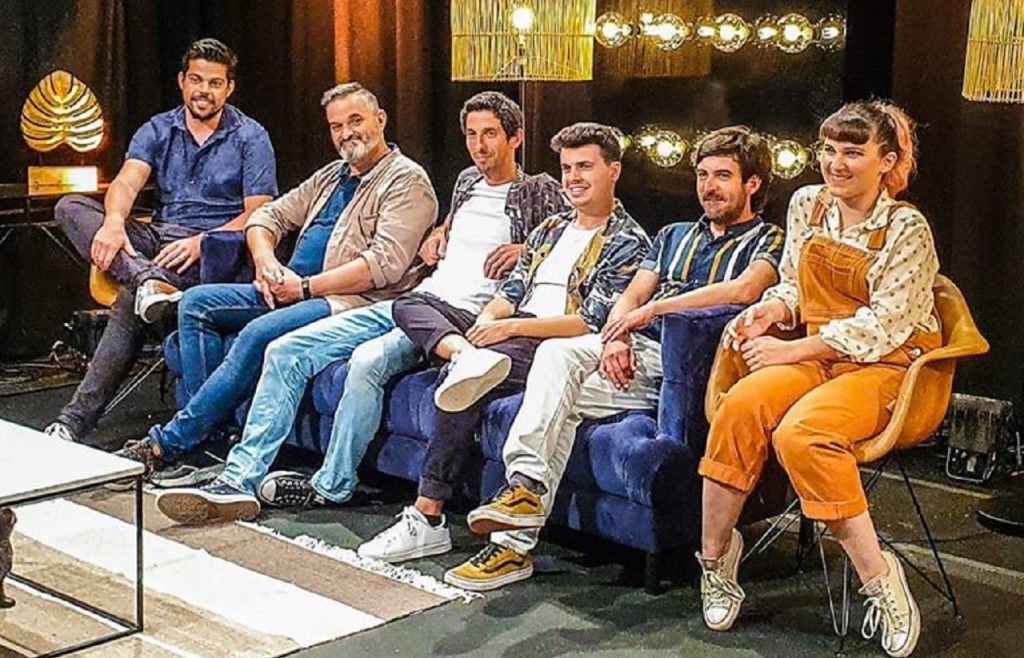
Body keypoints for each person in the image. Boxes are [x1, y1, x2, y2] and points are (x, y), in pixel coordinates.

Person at [152, 91, 566, 523]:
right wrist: (438, 234)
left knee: (362, 360)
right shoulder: (465, 182)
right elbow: (451, 229)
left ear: (516, 138)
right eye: (471, 135)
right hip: (419, 303)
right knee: (284, 350)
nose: (479, 145)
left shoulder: (536, 190)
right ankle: (237, 481)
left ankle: (332, 485)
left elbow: (574, 239)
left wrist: (526, 250)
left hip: (461, 314)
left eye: (490, 135)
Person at [451, 126, 787, 592]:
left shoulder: (769, 239)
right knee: (556, 372)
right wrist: (616, 337)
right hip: (634, 349)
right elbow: (630, 296)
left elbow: (744, 290)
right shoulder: (672, 235)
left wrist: (656, 310)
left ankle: (514, 538)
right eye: (703, 175)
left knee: (558, 398)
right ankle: (522, 500)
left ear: (752, 183)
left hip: (682, 368)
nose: (709, 186)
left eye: (723, 176)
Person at [695, 101, 937, 658]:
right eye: (829, 150)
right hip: (818, 355)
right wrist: (770, 311)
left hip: (887, 364)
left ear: (887, 161)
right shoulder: (809, 203)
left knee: (803, 435)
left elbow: (884, 324)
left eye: (853, 152)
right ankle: (715, 559)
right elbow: (794, 287)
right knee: (740, 405)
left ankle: (880, 580)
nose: (836, 163)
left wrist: (792, 349)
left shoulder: (906, 228)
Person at [354, 122, 651, 567]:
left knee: (464, 383)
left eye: (585, 167)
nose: (573, 178)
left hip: (552, 342)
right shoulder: (550, 228)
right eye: (567, 168)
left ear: (614, 171)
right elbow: (509, 292)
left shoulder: (628, 241)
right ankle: (464, 354)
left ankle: (427, 515)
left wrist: (509, 330)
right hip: (510, 331)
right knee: (409, 305)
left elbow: (589, 323)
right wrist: (489, 322)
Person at [115, 82, 437, 478]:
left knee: (257, 334)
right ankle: (212, 440)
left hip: (347, 301)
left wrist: (304, 287)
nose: (346, 133)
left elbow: (383, 266)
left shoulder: (407, 181)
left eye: (356, 121)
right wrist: (266, 263)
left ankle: (168, 443)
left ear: (381, 120)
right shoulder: (332, 175)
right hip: (292, 287)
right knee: (196, 303)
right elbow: (266, 216)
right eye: (336, 126)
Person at [44, 38, 277, 443]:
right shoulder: (158, 128)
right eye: (197, 80)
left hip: (215, 249)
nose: (204, 90)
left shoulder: (251, 136)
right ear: (182, 81)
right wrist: (114, 221)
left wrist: (202, 241)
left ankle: (73, 421)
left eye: (215, 83)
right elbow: (126, 182)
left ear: (229, 88)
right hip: (157, 240)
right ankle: (146, 278)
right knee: (70, 207)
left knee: (128, 300)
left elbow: (260, 213)